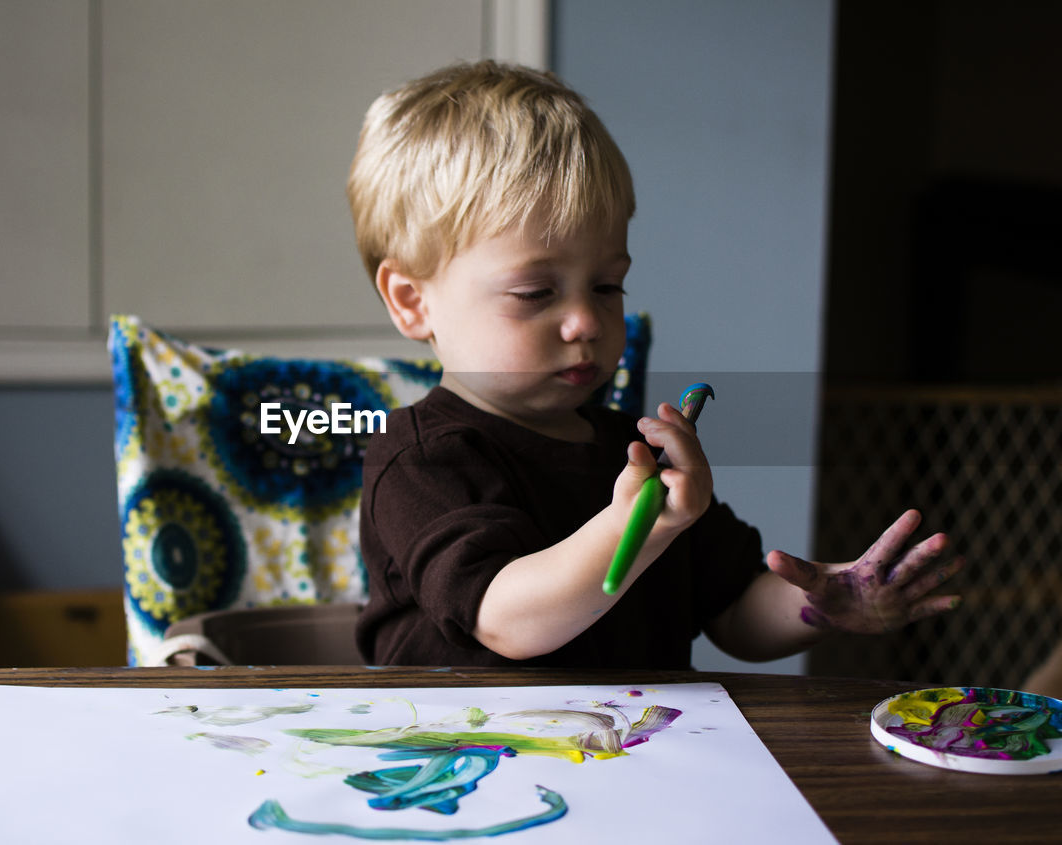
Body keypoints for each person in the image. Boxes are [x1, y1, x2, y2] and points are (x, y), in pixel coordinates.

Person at [347, 60, 963, 667]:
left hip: (637, 751)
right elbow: (507, 621)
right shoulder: (419, 458)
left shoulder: (636, 452)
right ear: (412, 302)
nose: (586, 321)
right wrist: (640, 528)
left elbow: (737, 617)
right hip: (471, 756)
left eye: (607, 287)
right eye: (536, 293)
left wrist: (826, 605)